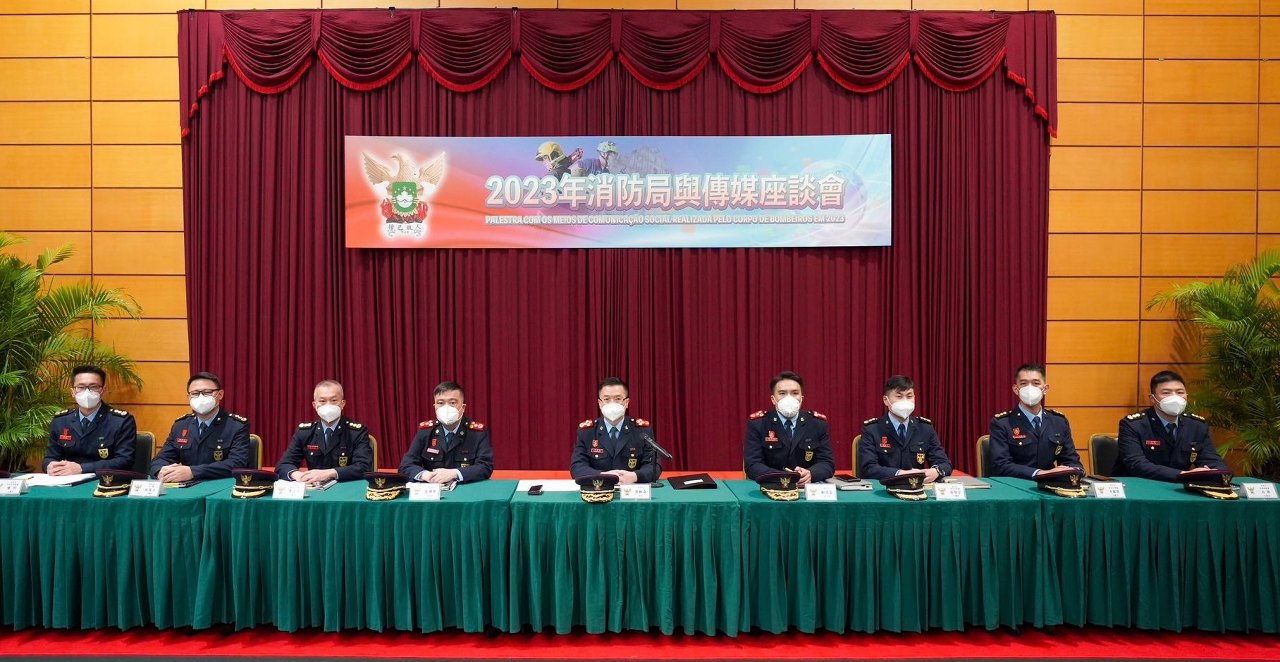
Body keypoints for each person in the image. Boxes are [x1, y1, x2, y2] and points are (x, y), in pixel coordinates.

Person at [1112, 370, 1227, 481]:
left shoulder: (1196, 425)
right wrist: (1183, 475)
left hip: (1179, 488)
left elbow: (1211, 459)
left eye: (1180, 392)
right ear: (1153, 398)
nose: (1175, 397)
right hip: (1140, 485)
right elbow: (1137, 465)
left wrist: (1216, 473)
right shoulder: (1133, 424)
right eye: (1166, 393)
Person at [989, 363, 1083, 479]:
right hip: (1016, 483)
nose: (1030, 388)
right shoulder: (1002, 423)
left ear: (1045, 389)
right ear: (1016, 389)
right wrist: (1039, 473)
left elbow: (1070, 459)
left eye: (1036, 383)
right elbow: (1001, 465)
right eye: (1024, 383)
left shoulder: (1058, 421)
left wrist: (1076, 471)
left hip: (1050, 484)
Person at [151, 372, 250, 481]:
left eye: (207, 392)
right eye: (195, 393)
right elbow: (160, 459)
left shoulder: (236, 425)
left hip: (220, 485)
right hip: (187, 487)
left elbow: (237, 463)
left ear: (220, 394)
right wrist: (160, 472)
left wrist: (193, 472)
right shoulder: (181, 425)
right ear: (188, 397)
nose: (201, 397)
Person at [743, 371, 834, 486]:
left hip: (806, 488)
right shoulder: (758, 423)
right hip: (771, 486)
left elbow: (827, 463)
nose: (789, 398)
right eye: (782, 393)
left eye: (795, 393)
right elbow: (752, 465)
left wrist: (811, 474)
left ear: (801, 398)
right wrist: (784, 477)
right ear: (773, 399)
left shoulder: (817, 424)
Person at [43, 365, 136, 475]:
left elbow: (124, 461)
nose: (87, 392)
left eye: (93, 387)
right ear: (73, 392)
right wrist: (51, 466)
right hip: (67, 480)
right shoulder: (61, 421)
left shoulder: (121, 421)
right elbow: (51, 457)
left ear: (103, 391)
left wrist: (82, 468)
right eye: (81, 387)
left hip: (104, 481)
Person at [276, 380, 373, 484]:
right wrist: (299, 475)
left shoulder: (356, 432)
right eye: (322, 401)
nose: (328, 405)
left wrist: (330, 473)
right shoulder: (305, 432)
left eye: (334, 400)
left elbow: (364, 467)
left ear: (342, 404)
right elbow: (283, 464)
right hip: (314, 488)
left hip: (346, 487)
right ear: (315, 405)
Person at [858, 375, 952, 482]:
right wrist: (900, 474)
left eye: (909, 396)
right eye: (899, 396)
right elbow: (868, 468)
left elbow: (945, 463)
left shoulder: (925, 428)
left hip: (917, 488)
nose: (905, 401)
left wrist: (936, 471)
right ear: (886, 400)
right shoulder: (872, 429)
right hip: (885, 487)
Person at [570, 377, 661, 484]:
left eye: (617, 399)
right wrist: (603, 476)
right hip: (599, 488)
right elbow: (577, 467)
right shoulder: (587, 431)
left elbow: (654, 466)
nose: (612, 403)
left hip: (631, 488)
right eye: (607, 399)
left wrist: (634, 476)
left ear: (626, 402)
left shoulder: (642, 430)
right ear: (600, 403)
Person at [399, 381, 493, 483]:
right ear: (435, 407)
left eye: (452, 403)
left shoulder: (477, 433)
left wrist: (455, 473)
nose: (446, 408)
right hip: (433, 487)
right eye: (440, 403)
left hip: (465, 488)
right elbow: (406, 465)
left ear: (463, 408)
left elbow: (485, 466)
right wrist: (424, 475)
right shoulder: (425, 431)